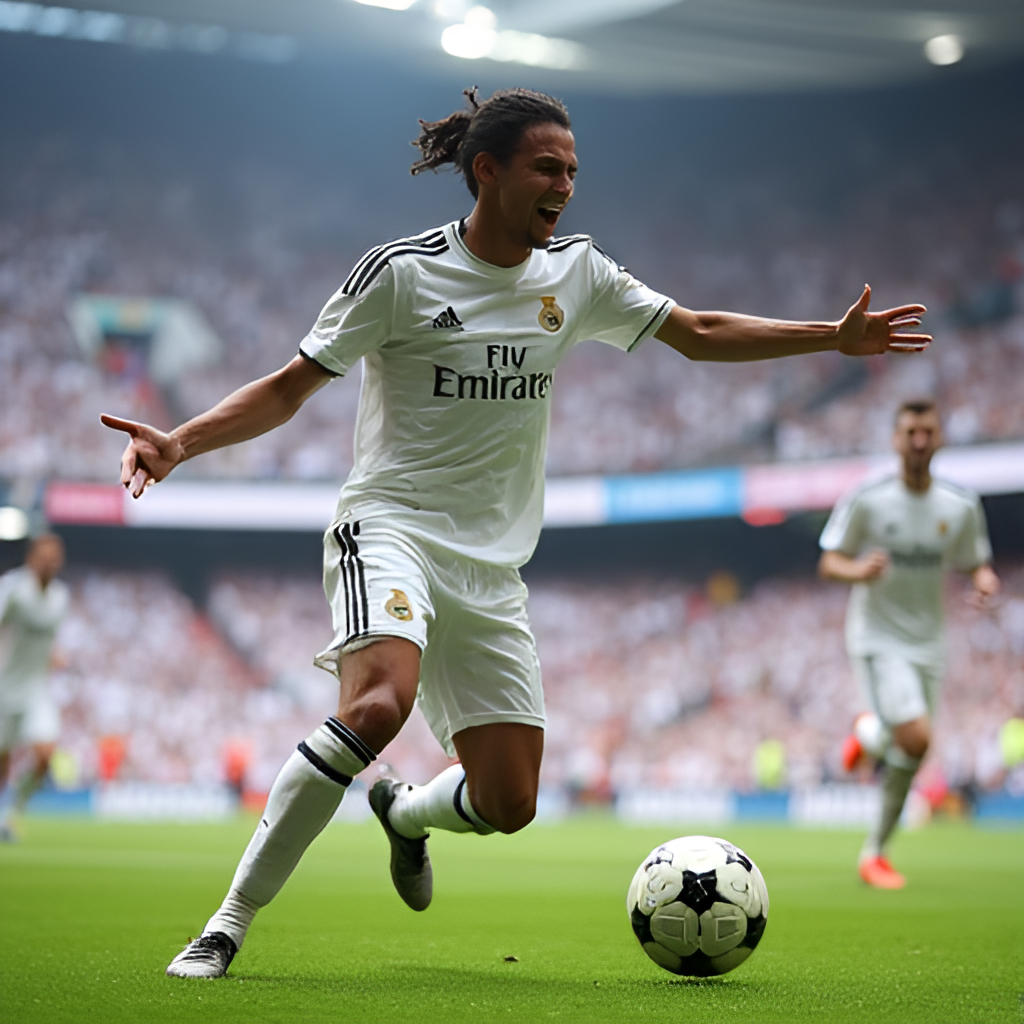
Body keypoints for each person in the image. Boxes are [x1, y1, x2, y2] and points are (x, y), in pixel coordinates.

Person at [101, 87, 931, 978]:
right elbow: (289, 385)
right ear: (486, 171)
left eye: (573, 170)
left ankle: (405, 814)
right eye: (548, 167)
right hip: (391, 526)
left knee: (509, 802)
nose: (566, 185)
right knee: (377, 705)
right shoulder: (399, 273)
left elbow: (695, 331)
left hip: (493, 567)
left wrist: (829, 339)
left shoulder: (575, 274)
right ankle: (226, 924)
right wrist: (180, 441)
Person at [819, 398, 999, 889]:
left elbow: (972, 560)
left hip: (930, 642)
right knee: (918, 738)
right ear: (896, 440)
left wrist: (983, 579)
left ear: (939, 438)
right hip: (877, 636)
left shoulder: (959, 506)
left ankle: (874, 842)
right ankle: (874, 840)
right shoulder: (869, 497)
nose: (920, 441)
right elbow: (830, 560)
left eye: (928, 432)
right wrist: (859, 569)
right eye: (911, 432)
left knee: (911, 750)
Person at [0, 533, 69, 841]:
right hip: (6, 685)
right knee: (3, 759)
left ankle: (15, 809)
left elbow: (48, 639)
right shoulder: (14, 590)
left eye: (55, 556)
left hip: (37, 689)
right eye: (45, 555)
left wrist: (54, 657)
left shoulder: (60, 597)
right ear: (32, 558)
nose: (50, 561)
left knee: (44, 755)